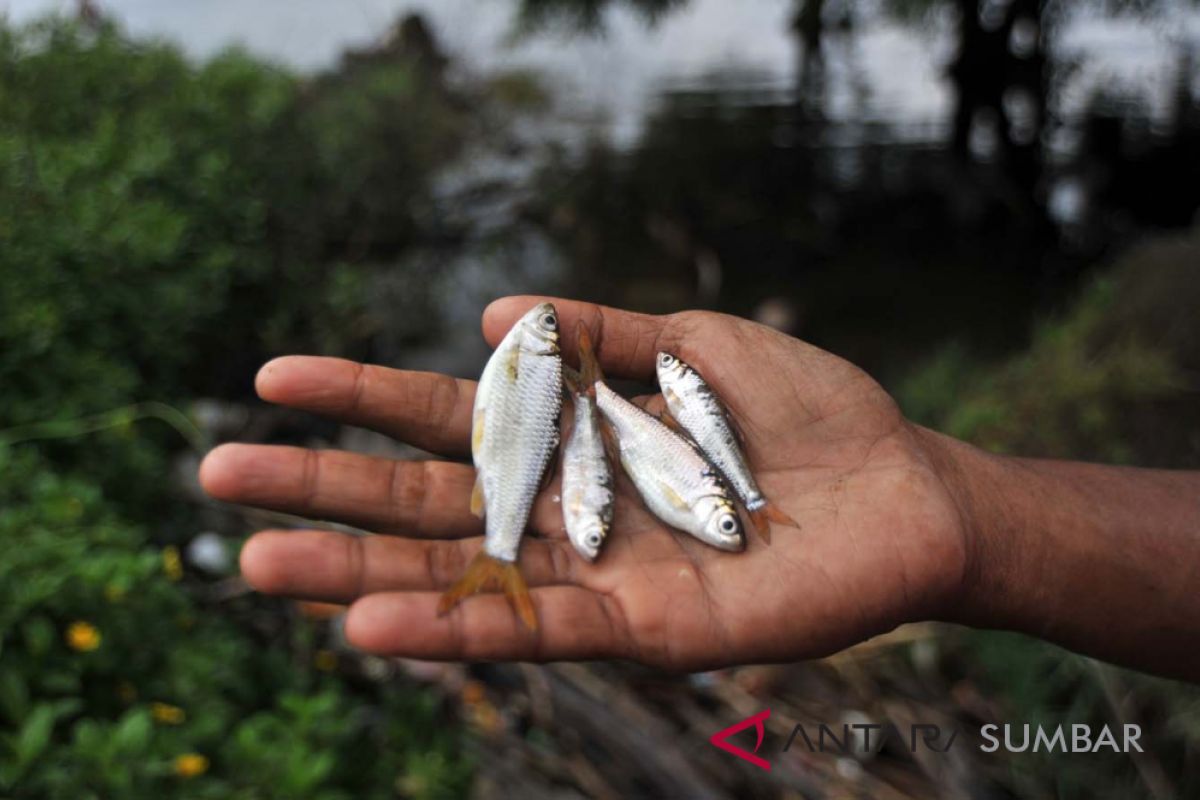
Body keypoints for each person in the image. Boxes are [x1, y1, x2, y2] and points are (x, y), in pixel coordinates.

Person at [198, 296, 1200, 681]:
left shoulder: (555, 372)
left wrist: (955, 508)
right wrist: (964, 509)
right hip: (594, 439)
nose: (535, 330)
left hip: (619, 440)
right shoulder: (544, 370)